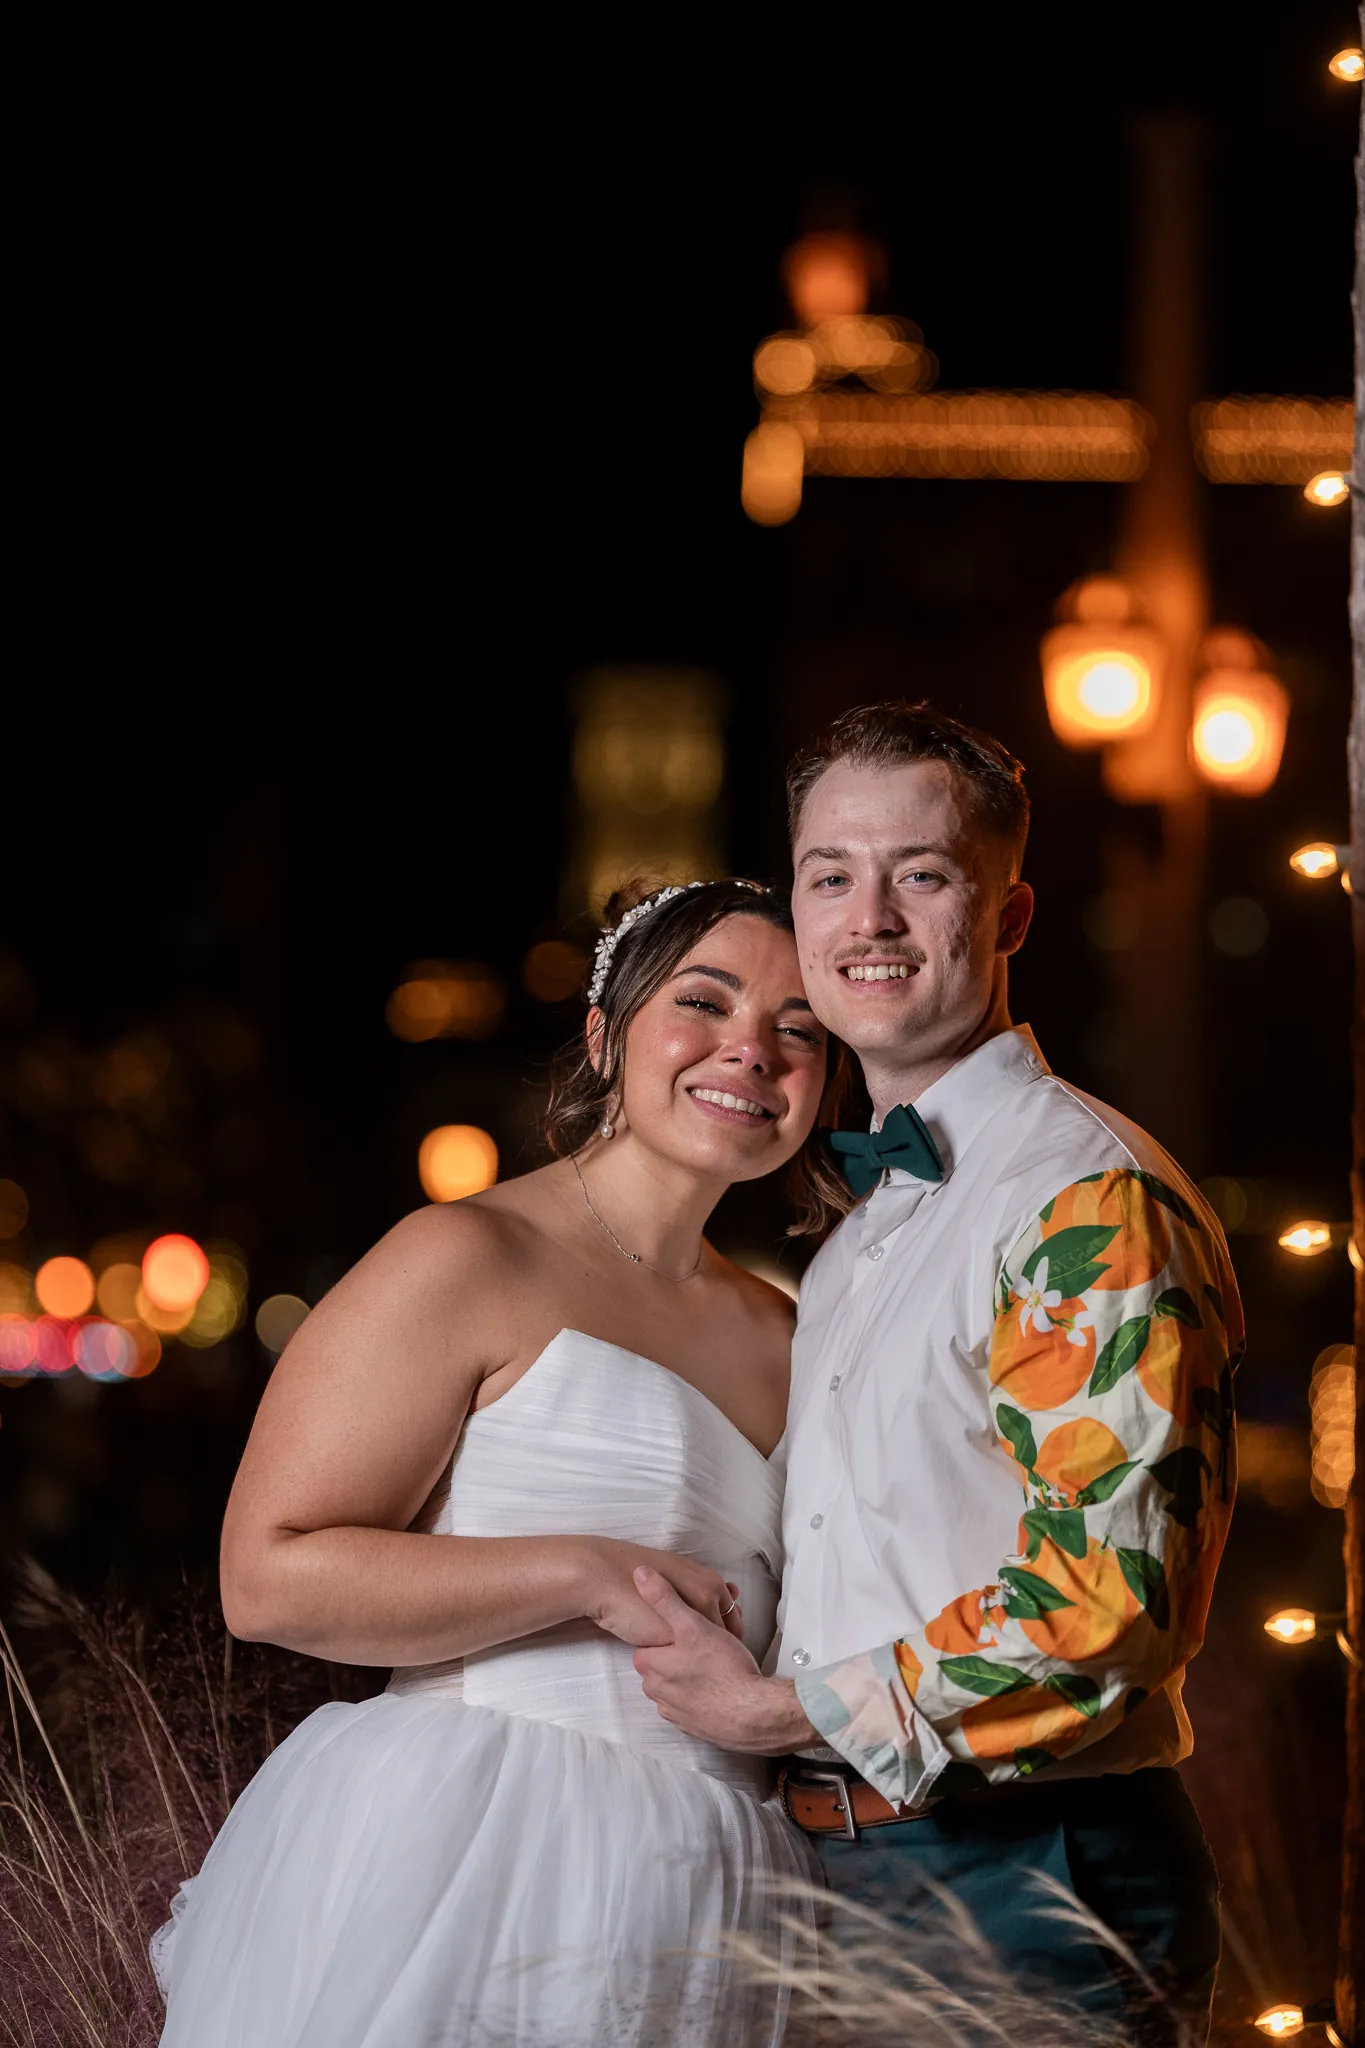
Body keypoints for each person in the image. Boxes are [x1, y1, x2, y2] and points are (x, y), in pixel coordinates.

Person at [631, 702, 1242, 2046]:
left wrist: (777, 1709)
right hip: (847, 1874)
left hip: (1024, 1877)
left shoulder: (1081, 1199)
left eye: (922, 874)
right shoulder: (865, 1224)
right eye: (831, 876)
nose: (872, 920)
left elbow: (1109, 1602)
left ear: (1011, 916)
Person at [152, 878, 849, 2048]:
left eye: (798, 1028)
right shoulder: (468, 1253)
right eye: (705, 1001)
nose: (752, 1051)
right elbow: (266, 1576)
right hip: (482, 1845)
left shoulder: (788, 1330)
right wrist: (584, 1573)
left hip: (725, 1888)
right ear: (604, 1030)